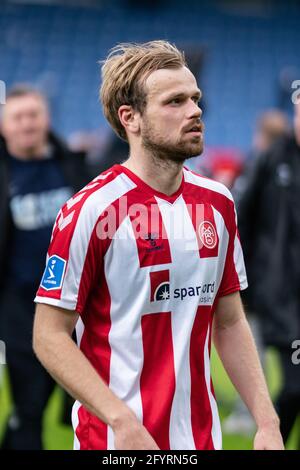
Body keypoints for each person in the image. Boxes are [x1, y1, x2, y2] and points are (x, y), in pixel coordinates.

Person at [33, 41, 283, 450]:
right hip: (116, 444)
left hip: (201, 441)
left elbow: (229, 321)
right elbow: (49, 335)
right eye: (175, 101)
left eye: (195, 99)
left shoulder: (218, 203)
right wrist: (121, 420)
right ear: (129, 118)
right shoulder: (91, 212)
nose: (195, 110)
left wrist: (267, 421)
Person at [0, 86, 91, 449]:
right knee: (30, 407)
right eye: (17, 117)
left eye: (33, 115)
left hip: (76, 309)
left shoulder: (73, 165)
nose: (27, 124)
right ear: (4, 126)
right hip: (20, 313)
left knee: (91, 408)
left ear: (46, 119)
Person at [237, 103, 300, 447]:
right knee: (295, 387)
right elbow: (242, 221)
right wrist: (245, 284)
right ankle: (270, 435)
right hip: (283, 298)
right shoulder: (272, 160)